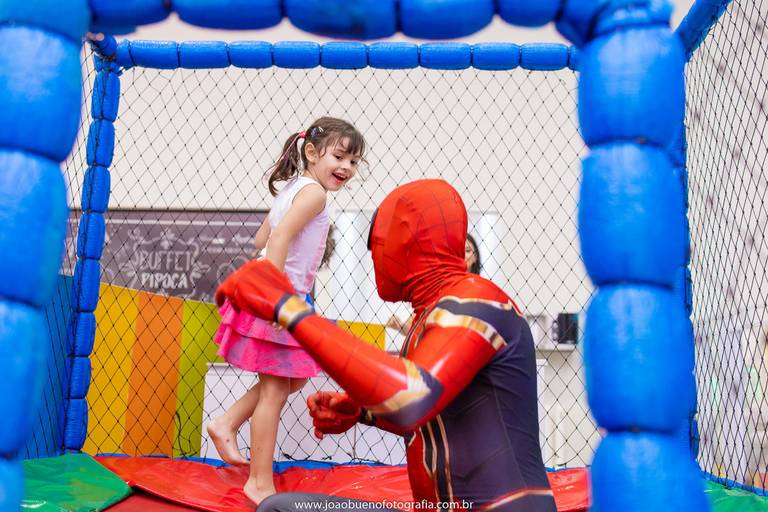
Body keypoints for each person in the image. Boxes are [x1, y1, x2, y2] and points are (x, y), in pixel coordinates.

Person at [216, 179, 556, 512]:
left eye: (375, 245)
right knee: (280, 508)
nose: (374, 259)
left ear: (405, 240)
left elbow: (410, 399)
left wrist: (288, 309)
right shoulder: (434, 315)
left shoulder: (476, 302)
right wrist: (362, 412)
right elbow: (435, 413)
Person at [206, 117, 365, 505]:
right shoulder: (315, 195)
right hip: (280, 297)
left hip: (282, 294)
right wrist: (274, 299)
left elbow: (261, 237)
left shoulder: (293, 188)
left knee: (292, 381)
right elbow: (277, 239)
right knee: (276, 392)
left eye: (353, 161)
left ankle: (227, 421)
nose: (346, 167)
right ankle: (259, 481)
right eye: (339, 156)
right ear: (311, 152)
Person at [386, 232, 481, 336]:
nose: (463, 255)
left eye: (467, 250)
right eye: (458, 251)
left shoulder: (480, 289)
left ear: (475, 257)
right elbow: (415, 328)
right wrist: (400, 326)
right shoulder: (438, 286)